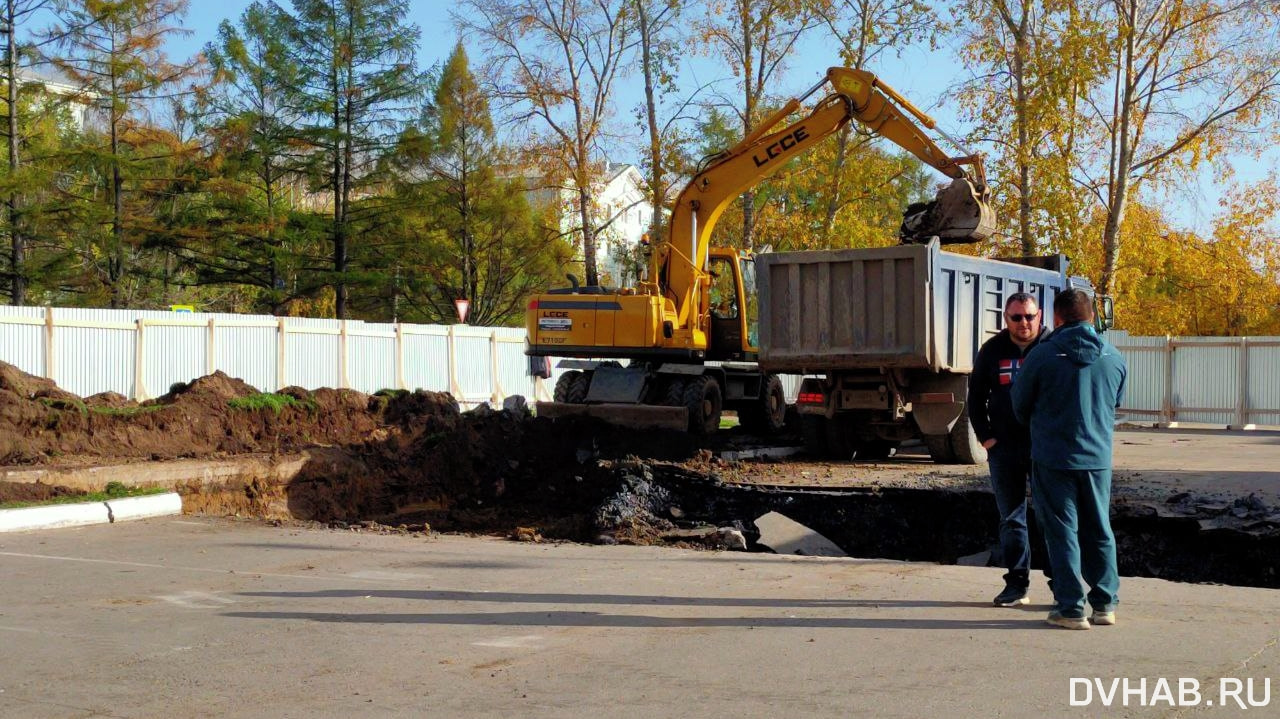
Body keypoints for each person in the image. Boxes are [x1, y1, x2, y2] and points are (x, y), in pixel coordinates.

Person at [1012, 288, 1127, 630]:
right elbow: (1116, 403)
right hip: (1097, 459)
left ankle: (1070, 607)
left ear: (1056, 318)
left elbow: (1020, 406)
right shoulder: (1113, 357)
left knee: (1062, 532)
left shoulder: (1041, 356)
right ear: (1092, 316)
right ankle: (1104, 604)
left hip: (1053, 457)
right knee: (1099, 529)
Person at [968, 292, 1049, 607]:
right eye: (1017, 317)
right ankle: (1017, 585)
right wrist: (987, 438)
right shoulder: (993, 351)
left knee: (1050, 517)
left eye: (1029, 316)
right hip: (1004, 451)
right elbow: (975, 398)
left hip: (1044, 450)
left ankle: (1062, 588)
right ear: (1007, 319)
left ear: (1039, 315)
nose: (1024, 323)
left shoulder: (1051, 348)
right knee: (1012, 518)